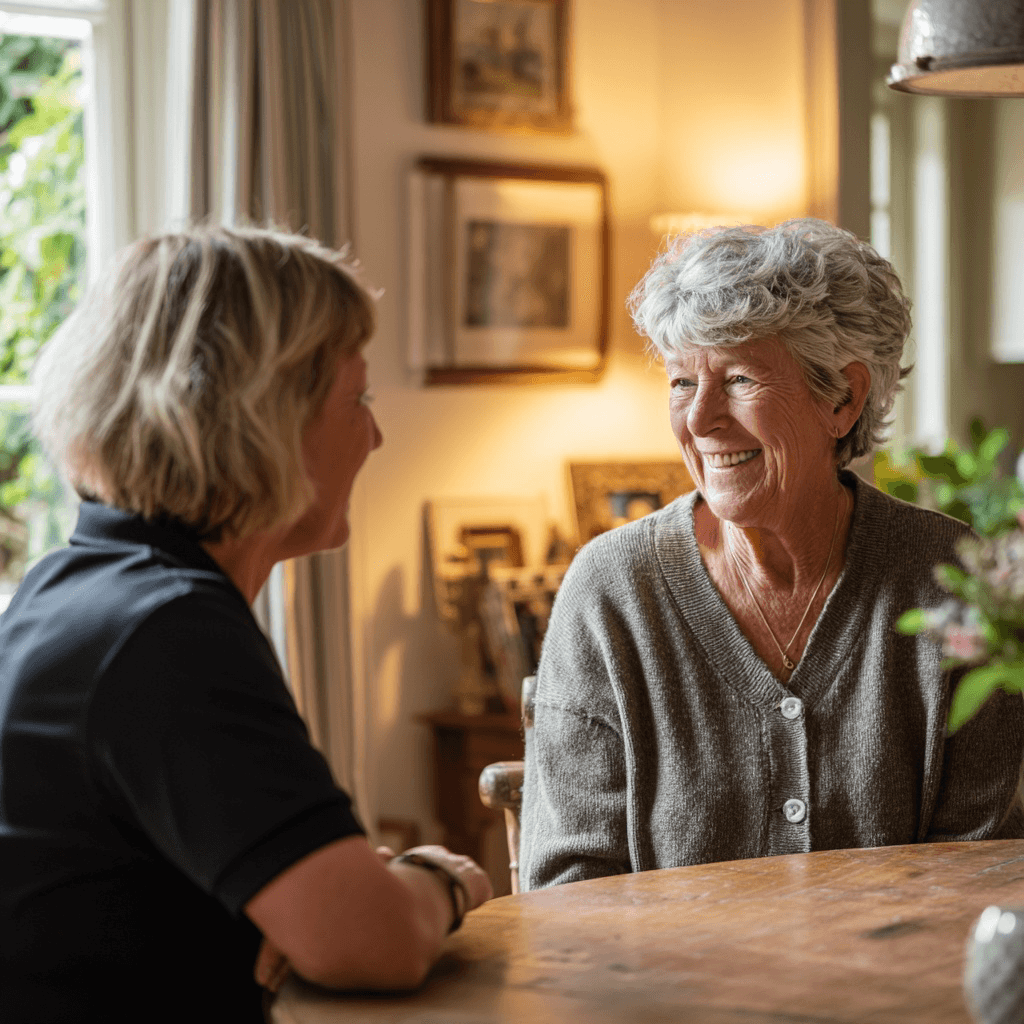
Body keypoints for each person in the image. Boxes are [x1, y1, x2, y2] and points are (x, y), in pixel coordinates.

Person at [0, 225, 492, 1022]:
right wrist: (441, 877)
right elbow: (377, 943)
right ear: (268, 422)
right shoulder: (166, 634)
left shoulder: (75, 586)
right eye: (357, 398)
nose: (375, 435)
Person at [519, 218, 1024, 890]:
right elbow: (568, 889)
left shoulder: (950, 580)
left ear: (843, 398)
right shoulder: (612, 590)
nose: (699, 421)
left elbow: (984, 873)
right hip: (666, 993)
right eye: (680, 383)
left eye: (737, 381)